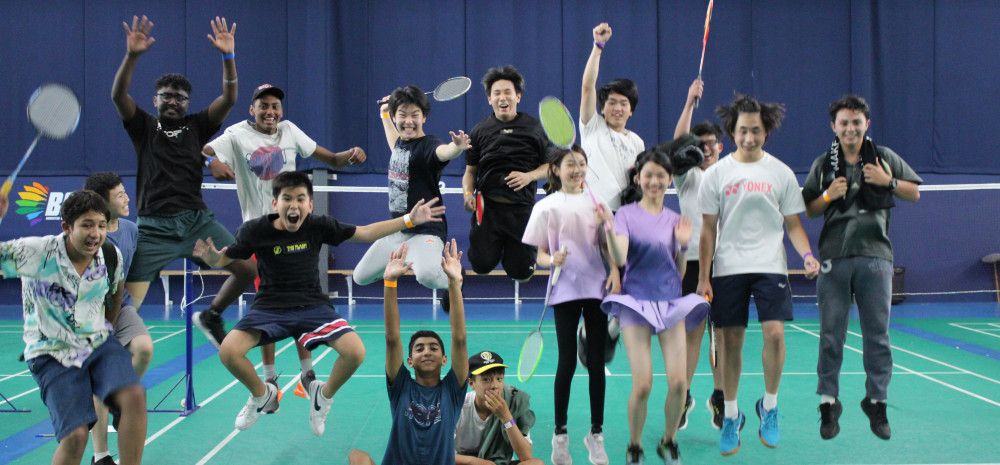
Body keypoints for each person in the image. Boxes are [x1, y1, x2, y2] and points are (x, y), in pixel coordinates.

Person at [192, 171, 445, 436]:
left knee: (355, 352)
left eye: (301, 199)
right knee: (228, 351)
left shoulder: (318, 225)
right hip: (269, 307)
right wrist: (213, 260)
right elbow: (225, 258)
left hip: (312, 305)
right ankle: (262, 395)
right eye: (287, 198)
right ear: (274, 204)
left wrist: (407, 220)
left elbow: (366, 233)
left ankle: (322, 396)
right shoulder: (255, 230)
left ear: (310, 205)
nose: (294, 205)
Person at [201, 82, 368, 397]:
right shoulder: (236, 134)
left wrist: (350, 155)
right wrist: (212, 163)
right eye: (263, 105)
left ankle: (305, 374)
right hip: (260, 234)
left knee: (298, 297)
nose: (270, 111)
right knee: (271, 303)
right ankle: (271, 376)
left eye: (275, 106)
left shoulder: (290, 130)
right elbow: (202, 151)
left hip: (297, 227)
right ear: (252, 109)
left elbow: (332, 159)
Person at [111, 15, 256, 326]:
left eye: (180, 97)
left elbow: (229, 97)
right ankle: (109, 356)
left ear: (187, 103)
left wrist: (227, 57)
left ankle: (212, 315)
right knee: (126, 307)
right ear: (155, 100)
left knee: (246, 269)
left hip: (196, 224)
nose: (173, 101)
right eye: (166, 96)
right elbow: (118, 96)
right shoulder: (144, 127)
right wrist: (132, 56)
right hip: (153, 228)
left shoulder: (197, 126)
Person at [697, 94, 820, 456]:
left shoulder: (780, 172)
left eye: (756, 130)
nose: (749, 137)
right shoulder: (717, 174)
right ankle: (732, 415)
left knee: (775, 334)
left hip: (770, 264)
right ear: (732, 132)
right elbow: (707, 231)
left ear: (766, 132)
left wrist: (808, 255)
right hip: (728, 266)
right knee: (731, 342)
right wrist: (704, 277)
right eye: (742, 131)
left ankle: (769, 406)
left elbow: (793, 224)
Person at [802, 95, 921, 441]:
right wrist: (827, 196)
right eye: (844, 122)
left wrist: (890, 183)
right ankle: (828, 404)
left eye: (857, 122)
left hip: (876, 257)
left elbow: (915, 193)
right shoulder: (824, 163)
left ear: (866, 124)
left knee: (878, 336)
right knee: (830, 335)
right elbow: (808, 208)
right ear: (834, 126)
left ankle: (876, 402)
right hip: (834, 257)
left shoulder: (884, 159)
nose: (851, 128)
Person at [1, 191, 147, 465]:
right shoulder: (37, 251)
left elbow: (116, 291)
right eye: (87, 224)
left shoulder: (109, 254)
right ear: (66, 227)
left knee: (134, 397)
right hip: (51, 351)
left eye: (101, 225)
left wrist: (108, 328)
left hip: (98, 342)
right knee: (76, 435)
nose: (96, 233)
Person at [601, 144, 711, 465]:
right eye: (648, 175)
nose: (654, 181)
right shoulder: (625, 215)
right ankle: (635, 445)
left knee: (679, 383)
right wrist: (609, 231)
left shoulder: (676, 219)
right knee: (644, 384)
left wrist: (683, 245)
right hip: (636, 303)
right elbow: (620, 258)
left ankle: (668, 440)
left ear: (669, 179)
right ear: (638, 178)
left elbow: (678, 271)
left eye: (660, 176)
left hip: (670, 303)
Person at [521, 146, 615, 465]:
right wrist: (552, 259)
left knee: (596, 362)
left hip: (597, 288)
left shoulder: (599, 204)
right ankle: (560, 436)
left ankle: (596, 434)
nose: (577, 169)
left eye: (582, 164)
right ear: (556, 170)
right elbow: (539, 255)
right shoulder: (547, 206)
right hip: (564, 289)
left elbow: (611, 246)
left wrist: (609, 228)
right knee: (567, 362)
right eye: (570, 164)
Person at [347, 240, 469, 465]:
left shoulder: (452, 391)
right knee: (357, 457)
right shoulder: (401, 386)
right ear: (410, 361)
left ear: (444, 359)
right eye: (419, 348)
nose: (426, 352)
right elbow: (392, 339)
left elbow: (459, 339)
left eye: (433, 348)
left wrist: (454, 283)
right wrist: (390, 282)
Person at [353, 85, 470, 290]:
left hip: (427, 232)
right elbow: (393, 140)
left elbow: (443, 152)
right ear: (395, 116)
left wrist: (456, 148)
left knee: (426, 277)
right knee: (360, 277)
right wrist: (384, 114)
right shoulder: (400, 144)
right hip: (399, 229)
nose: (408, 121)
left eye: (415, 115)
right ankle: (416, 260)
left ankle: (455, 277)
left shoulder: (428, 145)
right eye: (402, 115)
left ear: (424, 117)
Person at [83, 173, 153, 465]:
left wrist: (131, 307)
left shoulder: (130, 229)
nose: (126, 198)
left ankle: (117, 395)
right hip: (89, 313)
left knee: (144, 348)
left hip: (120, 306)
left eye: (126, 192)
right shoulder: (90, 236)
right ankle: (101, 456)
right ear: (102, 202)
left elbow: (135, 273)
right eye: (120, 194)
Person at [671, 78, 726, 430]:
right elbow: (679, 143)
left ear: (721, 147)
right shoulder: (687, 177)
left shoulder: (730, 174)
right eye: (700, 144)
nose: (705, 149)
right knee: (692, 332)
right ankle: (685, 394)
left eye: (711, 144)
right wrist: (690, 102)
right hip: (690, 262)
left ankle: (720, 397)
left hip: (726, 264)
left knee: (721, 333)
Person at [462, 65, 550, 281]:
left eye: (508, 92)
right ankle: (491, 247)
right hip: (488, 208)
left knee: (521, 273)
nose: (503, 98)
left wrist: (528, 176)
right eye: (497, 93)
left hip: (521, 209)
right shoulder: (480, 130)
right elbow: (470, 171)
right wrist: (467, 194)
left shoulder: (535, 128)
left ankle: (513, 252)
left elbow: (550, 167)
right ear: (489, 99)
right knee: (481, 265)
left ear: (518, 96)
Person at [579, 22, 645, 211]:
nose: (618, 108)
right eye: (612, 102)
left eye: (624, 104)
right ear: (602, 108)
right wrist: (598, 47)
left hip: (624, 217)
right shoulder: (592, 126)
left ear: (631, 110)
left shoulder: (637, 142)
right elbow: (587, 87)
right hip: (592, 213)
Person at [454, 350, 543, 465]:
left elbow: (526, 456)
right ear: (471, 383)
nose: (494, 386)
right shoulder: (459, 407)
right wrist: (476, 462)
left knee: (536, 464)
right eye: (486, 379)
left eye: (499, 379)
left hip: (499, 463)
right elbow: (440, 453)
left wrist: (506, 417)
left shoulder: (513, 403)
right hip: (466, 463)